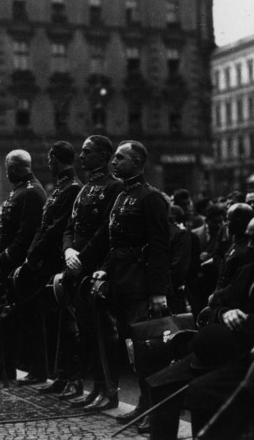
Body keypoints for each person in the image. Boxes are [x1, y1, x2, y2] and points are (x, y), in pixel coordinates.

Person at [147, 211, 254, 440]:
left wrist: (248, 320)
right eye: (248, 239)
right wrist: (225, 313)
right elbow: (216, 306)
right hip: (220, 349)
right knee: (160, 383)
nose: (248, 247)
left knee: (202, 393)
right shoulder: (247, 269)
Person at [94, 140, 169, 426]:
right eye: (113, 157)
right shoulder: (121, 196)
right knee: (132, 348)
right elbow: (114, 243)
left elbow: (160, 246)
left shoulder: (151, 198)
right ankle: (143, 403)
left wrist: (158, 292)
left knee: (147, 350)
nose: (113, 162)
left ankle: (155, 410)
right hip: (122, 283)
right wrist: (103, 270)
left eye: (120, 158)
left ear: (138, 163)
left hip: (142, 285)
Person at [62, 135, 123, 407]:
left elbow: (104, 233)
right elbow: (70, 226)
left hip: (97, 269)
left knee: (104, 332)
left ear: (104, 156)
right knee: (87, 330)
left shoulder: (114, 187)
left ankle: (110, 391)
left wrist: (82, 259)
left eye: (87, 152)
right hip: (79, 267)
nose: (81, 156)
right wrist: (68, 251)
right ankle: (96, 389)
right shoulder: (85, 189)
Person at [21, 142, 82, 393]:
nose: (47, 164)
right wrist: (31, 255)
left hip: (60, 263)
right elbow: (43, 226)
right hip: (47, 262)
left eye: (49, 159)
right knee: (58, 322)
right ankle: (61, 376)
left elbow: (56, 228)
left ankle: (71, 377)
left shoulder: (73, 188)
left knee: (68, 323)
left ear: (55, 159)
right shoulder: (59, 189)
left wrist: (33, 256)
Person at [0, 149, 47, 383]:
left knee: (30, 320)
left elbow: (27, 234)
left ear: (20, 167)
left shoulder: (31, 192)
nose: (7, 171)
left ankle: (39, 370)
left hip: (23, 266)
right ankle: (6, 366)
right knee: (9, 319)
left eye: (10, 167)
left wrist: (5, 257)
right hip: (12, 265)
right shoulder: (20, 190)